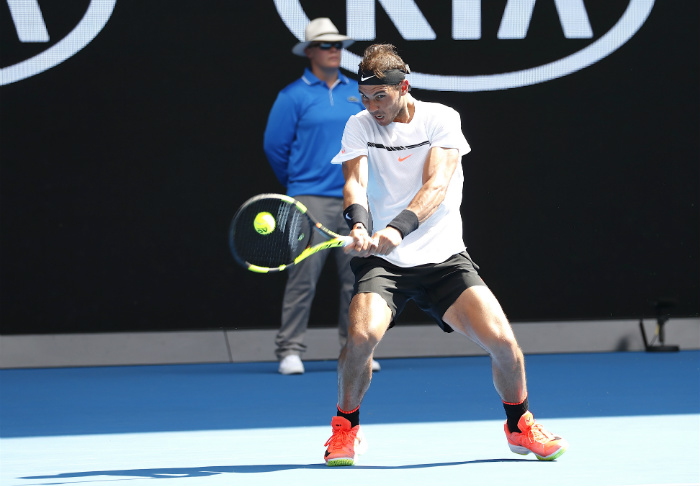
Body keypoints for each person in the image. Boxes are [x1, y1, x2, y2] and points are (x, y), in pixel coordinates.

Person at [323, 44, 568, 465]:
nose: (372, 106)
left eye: (380, 96)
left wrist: (396, 229)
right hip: (385, 262)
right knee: (360, 339)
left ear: (404, 86)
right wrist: (361, 225)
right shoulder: (358, 125)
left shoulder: (442, 118)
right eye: (365, 98)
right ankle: (346, 428)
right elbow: (354, 186)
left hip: (444, 259)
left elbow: (436, 186)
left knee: (505, 346)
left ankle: (519, 425)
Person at [263, 18, 381, 375]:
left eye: (338, 45)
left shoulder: (356, 93)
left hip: (354, 198)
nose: (334, 51)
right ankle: (290, 350)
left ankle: (357, 350)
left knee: (358, 281)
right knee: (303, 276)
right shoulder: (293, 96)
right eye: (327, 45)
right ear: (311, 51)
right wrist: (301, 184)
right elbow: (275, 148)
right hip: (308, 199)